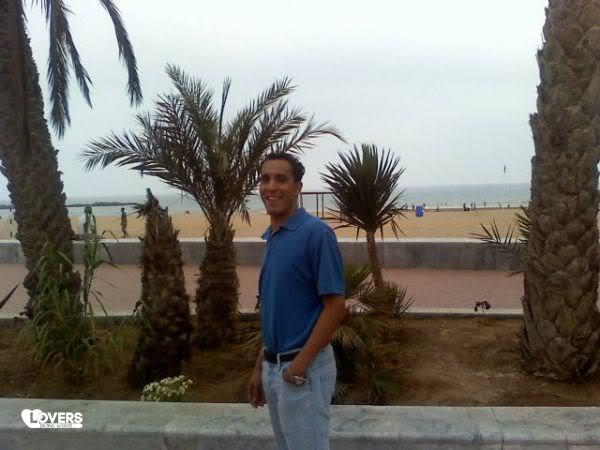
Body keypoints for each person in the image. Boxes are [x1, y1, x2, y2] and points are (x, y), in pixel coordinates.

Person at [247, 153, 346, 450]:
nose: (271, 186)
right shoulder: (274, 236)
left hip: (303, 371)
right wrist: (260, 368)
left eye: (281, 179)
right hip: (275, 367)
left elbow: (335, 307)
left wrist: (299, 367)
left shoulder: (316, 234)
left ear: (298, 187)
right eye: (265, 179)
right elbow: (277, 312)